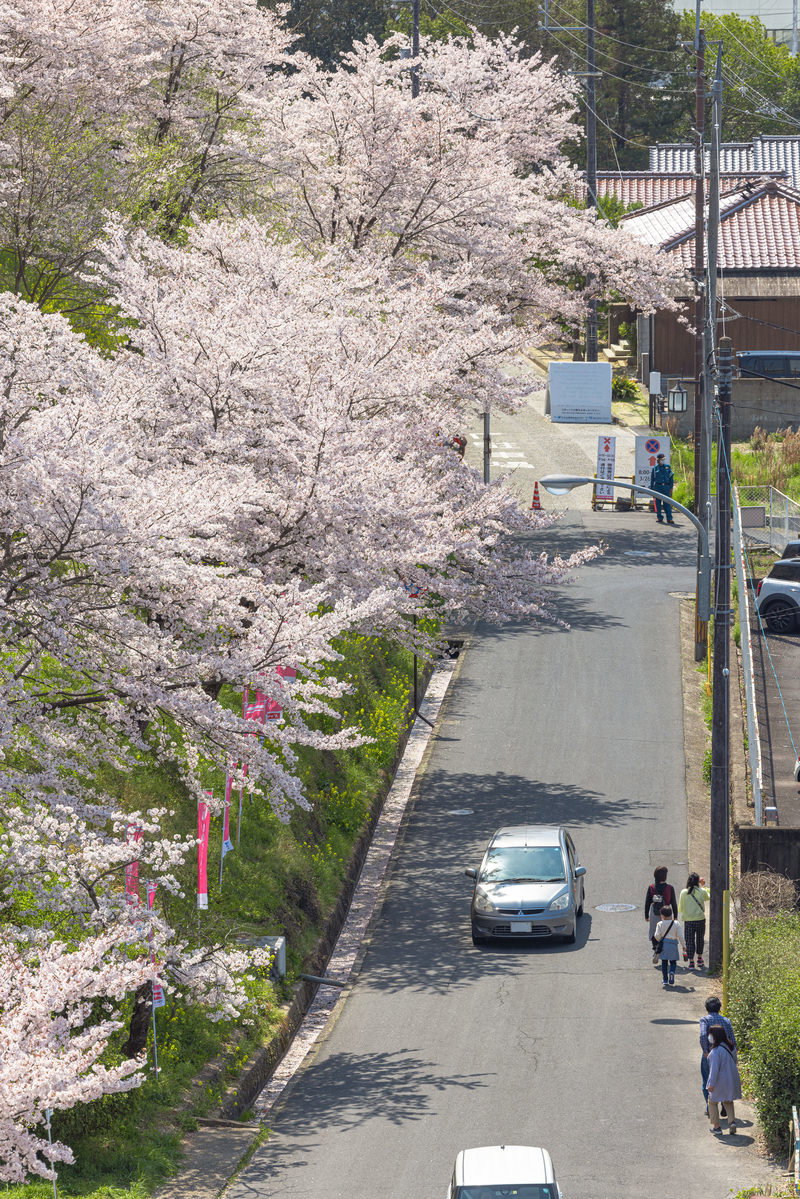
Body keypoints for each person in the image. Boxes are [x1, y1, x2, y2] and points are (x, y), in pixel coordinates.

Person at [700, 997, 737, 1115]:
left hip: (711, 1053)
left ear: (706, 1008)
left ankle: (709, 1106)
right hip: (725, 1054)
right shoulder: (726, 1020)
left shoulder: (705, 1020)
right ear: (719, 1008)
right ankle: (724, 1104)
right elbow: (732, 1039)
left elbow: (703, 1035)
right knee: (723, 1079)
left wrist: (706, 1051)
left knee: (707, 1079)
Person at [706, 1027, 742, 1135]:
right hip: (731, 1078)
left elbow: (714, 1070)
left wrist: (711, 1084)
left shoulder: (715, 1052)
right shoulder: (731, 1047)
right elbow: (734, 1061)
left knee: (712, 1102)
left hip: (719, 1080)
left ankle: (717, 1127)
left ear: (714, 1036)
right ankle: (732, 1122)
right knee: (728, 1101)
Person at [679, 872, 710, 969]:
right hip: (700, 919)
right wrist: (703, 885)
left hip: (688, 920)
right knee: (700, 939)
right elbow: (708, 896)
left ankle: (691, 961)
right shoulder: (701, 891)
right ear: (698, 881)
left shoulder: (684, 892)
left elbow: (681, 908)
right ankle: (700, 959)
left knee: (689, 940)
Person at [645, 866, 677, 950]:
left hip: (654, 911)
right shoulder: (670, 888)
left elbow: (647, 902)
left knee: (654, 930)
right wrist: (675, 915)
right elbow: (673, 902)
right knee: (667, 930)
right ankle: (665, 948)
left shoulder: (651, 887)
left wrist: (646, 915)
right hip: (667, 911)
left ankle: (656, 947)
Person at [653, 905, 685, 987]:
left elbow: (656, 935)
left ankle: (665, 979)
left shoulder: (660, 924)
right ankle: (672, 972)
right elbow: (680, 936)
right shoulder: (676, 923)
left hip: (664, 945)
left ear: (662, 915)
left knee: (664, 963)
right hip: (673, 944)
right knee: (673, 962)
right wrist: (684, 945)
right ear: (671, 914)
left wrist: (661, 939)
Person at [650, 453, 675, 525]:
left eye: (663, 459)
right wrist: (652, 489)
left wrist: (671, 487)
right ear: (658, 460)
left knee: (667, 503)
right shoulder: (655, 469)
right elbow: (652, 480)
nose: (663, 461)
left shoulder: (668, 467)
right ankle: (659, 517)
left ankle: (669, 518)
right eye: (661, 459)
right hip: (658, 487)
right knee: (658, 503)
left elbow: (671, 478)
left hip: (666, 487)